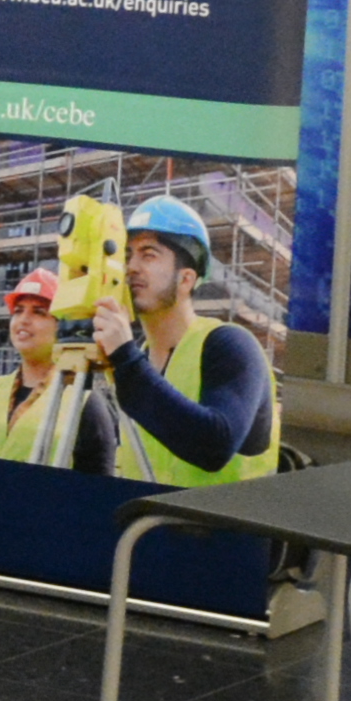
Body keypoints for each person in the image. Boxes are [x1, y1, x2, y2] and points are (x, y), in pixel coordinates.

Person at [99, 191, 280, 484]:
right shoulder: (136, 360)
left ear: (186, 279)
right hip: (141, 526)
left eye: (148, 254)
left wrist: (125, 357)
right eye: (128, 255)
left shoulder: (230, 345)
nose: (131, 267)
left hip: (220, 527)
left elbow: (214, 446)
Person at [0, 271, 106, 468]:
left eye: (39, 311)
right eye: (18, 311)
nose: (24, 319)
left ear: (62, 327)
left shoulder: (83, 403)